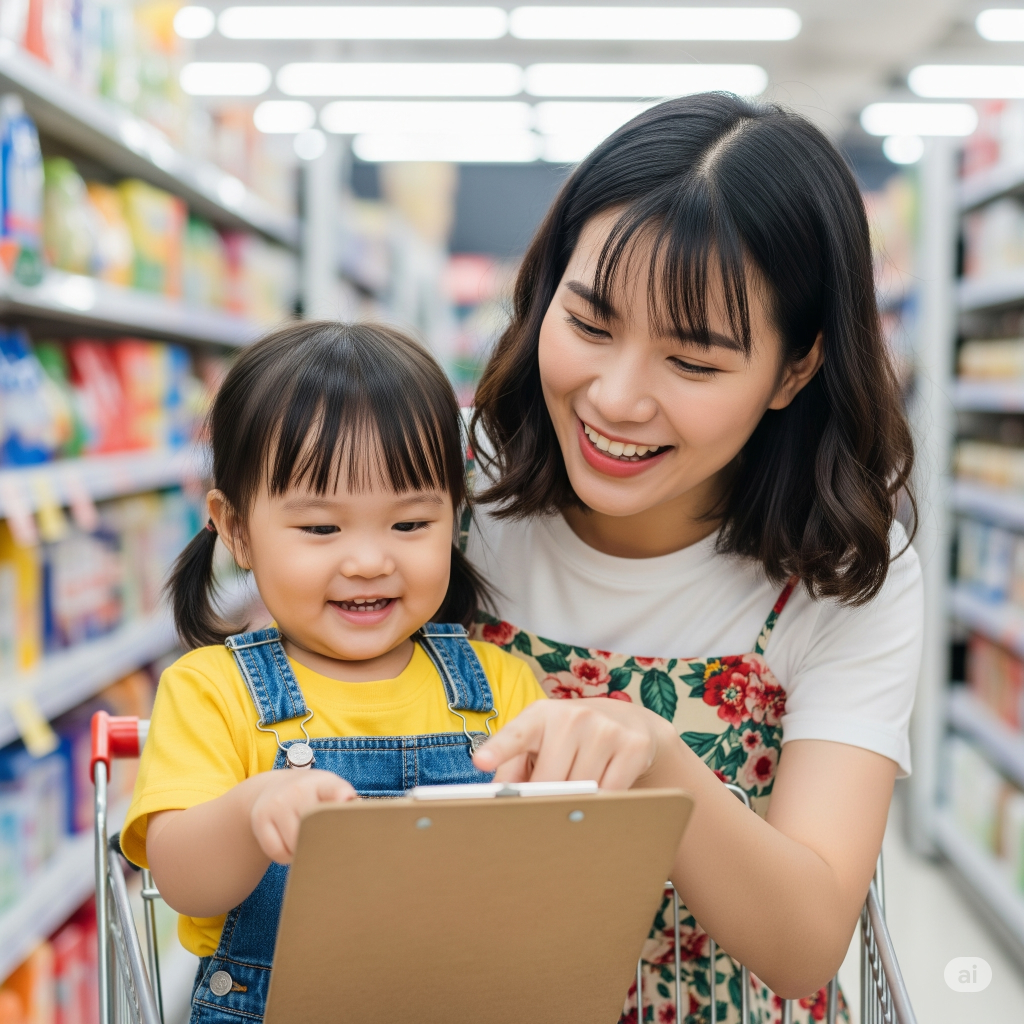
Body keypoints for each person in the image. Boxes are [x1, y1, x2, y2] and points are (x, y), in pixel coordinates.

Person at [464, 92, 923, 1023]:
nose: (617, 398)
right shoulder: (443, 499)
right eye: (589, 324)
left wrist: (659, 760)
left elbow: (804, 944)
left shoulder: (841, 576)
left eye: (695, 363)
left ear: (796, 370)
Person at [120, 321, 680, 1023]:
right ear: (234, 530)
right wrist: (252, 810)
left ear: (454, 517)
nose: (368, 561)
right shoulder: (211, 690)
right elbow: (181, 880)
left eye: (410, 525)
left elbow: (551, 880)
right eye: (321, 529)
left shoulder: (500, 688)